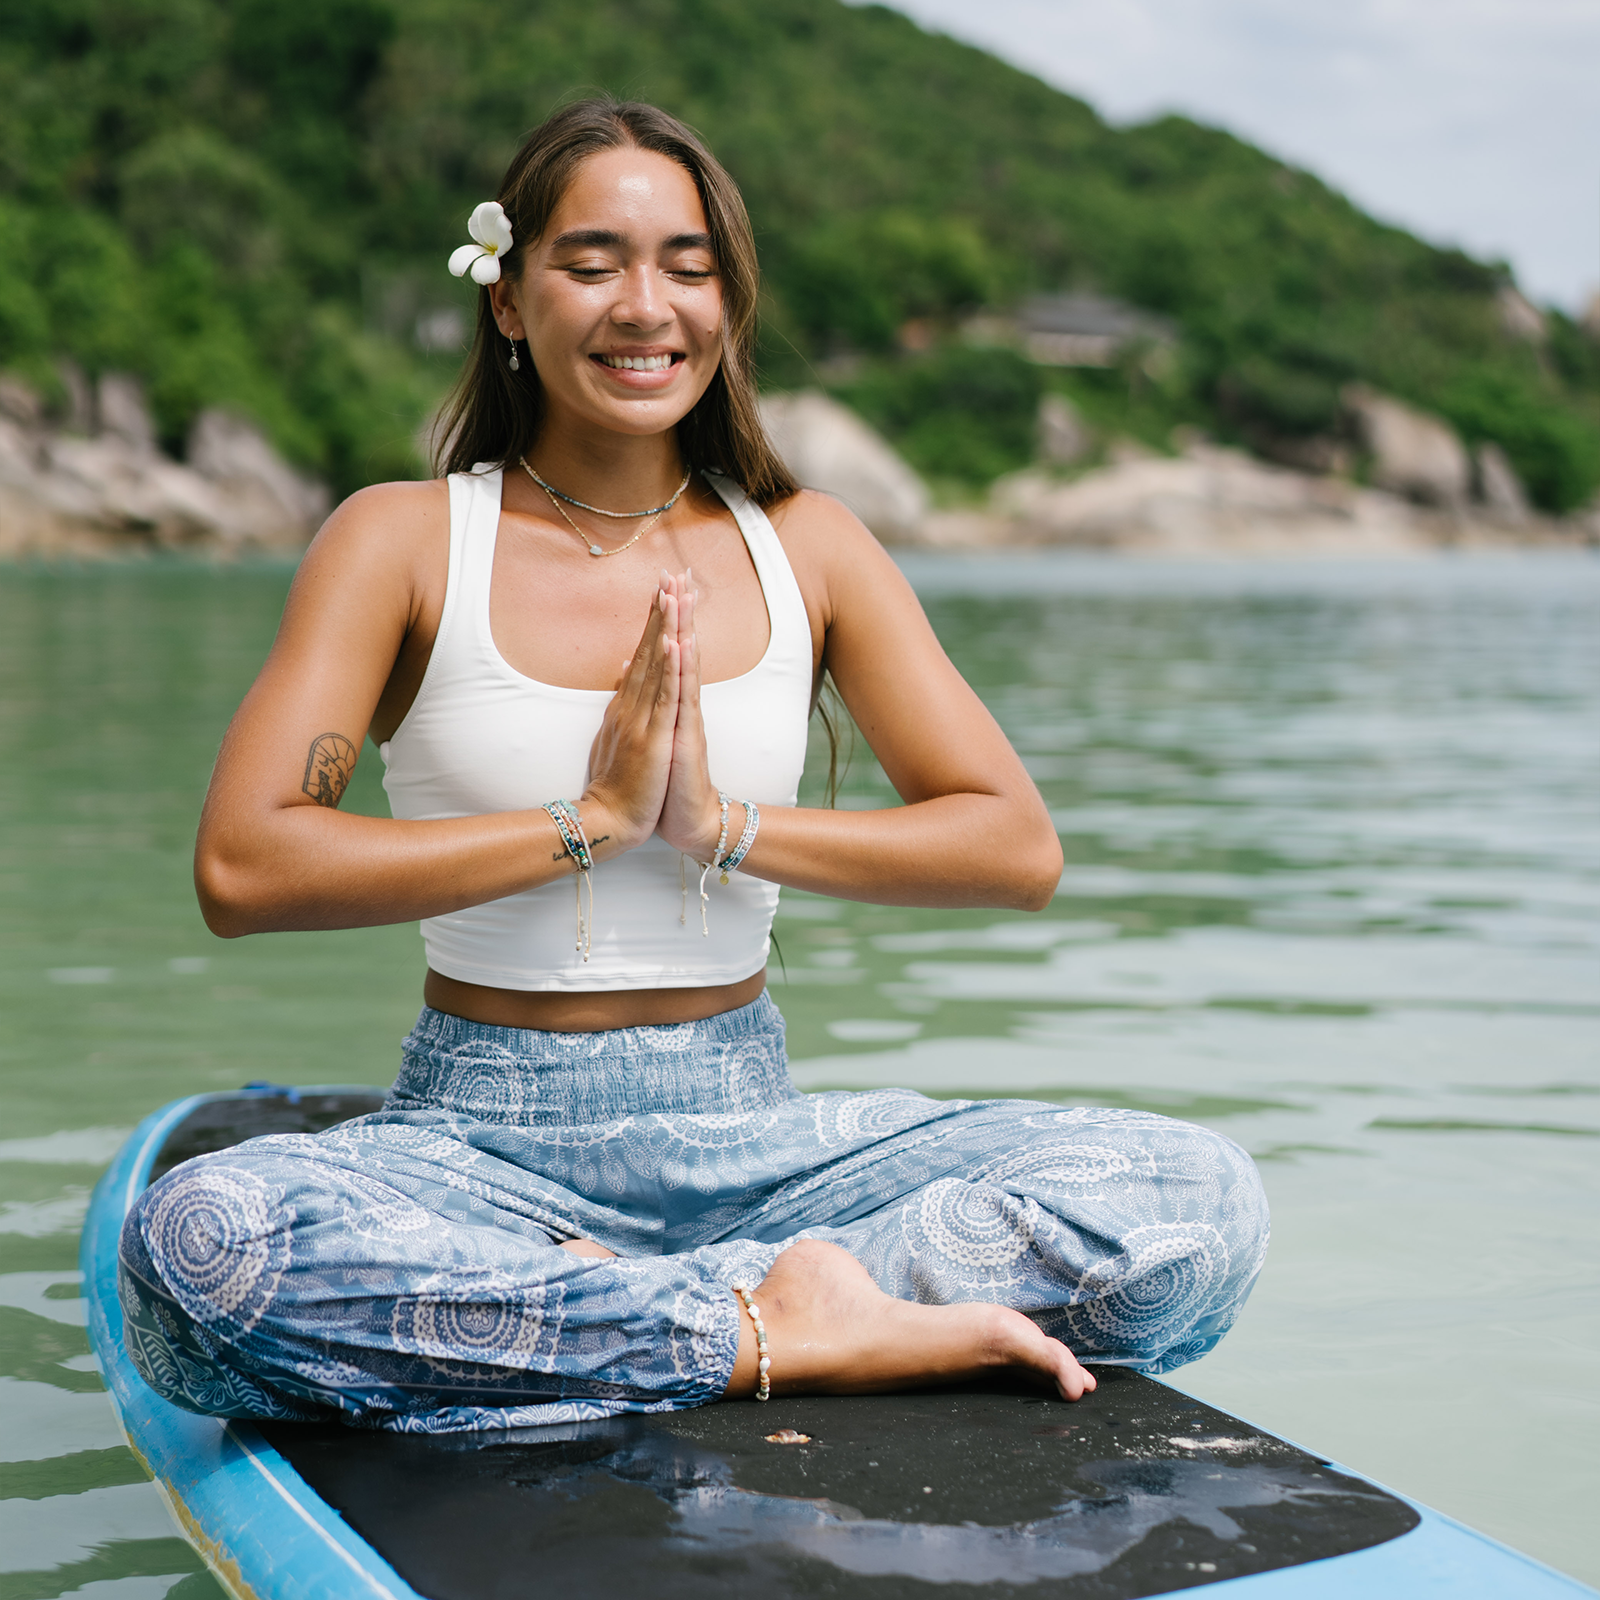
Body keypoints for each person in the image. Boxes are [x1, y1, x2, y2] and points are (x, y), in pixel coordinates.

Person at [118, 99, 1267, 1432]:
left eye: (688, 265)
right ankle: (762, 1319)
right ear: (509, 299)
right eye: (591, 261)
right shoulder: (404, 541)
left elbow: (1013, 848)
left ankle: (627, 1314)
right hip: (479, 1149)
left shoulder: (811, 545)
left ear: (728, 302)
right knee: (203, 1249)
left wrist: (721, 823)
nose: (642, 305)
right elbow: (245, 864)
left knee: (1202, 1207)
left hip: (765, 1149)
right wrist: (588, 820)